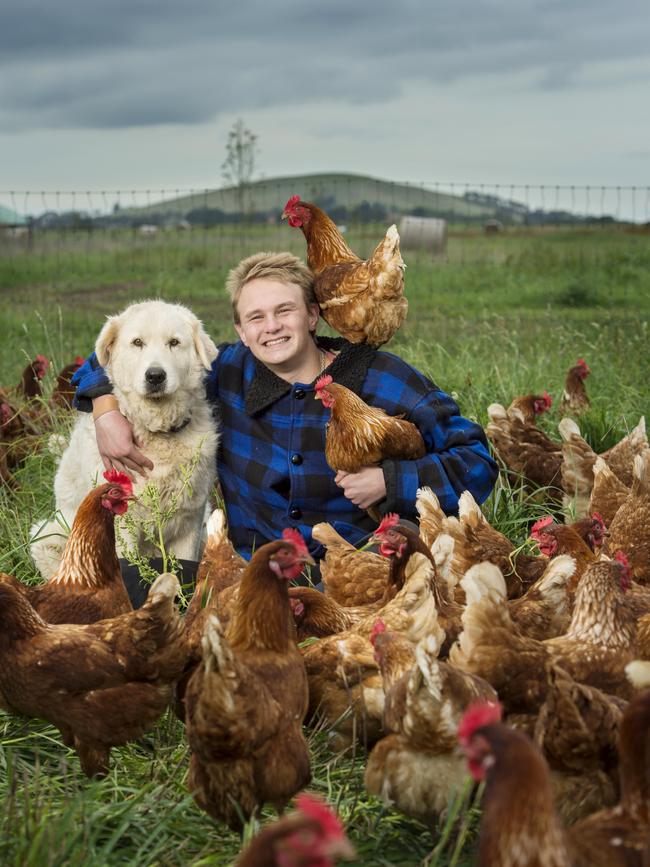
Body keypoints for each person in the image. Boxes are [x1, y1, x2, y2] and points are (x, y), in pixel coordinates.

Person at [73, 250, 498, 573]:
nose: (271, 326)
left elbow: (477, 459)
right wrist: (105, 410)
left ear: (313, 315)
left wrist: (390, 481)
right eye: (255, 317)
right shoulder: (225, 370)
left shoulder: (381, 377)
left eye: (284, 311)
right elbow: (111, 355)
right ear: (240, 331)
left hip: (361, 568)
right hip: (255, 576)